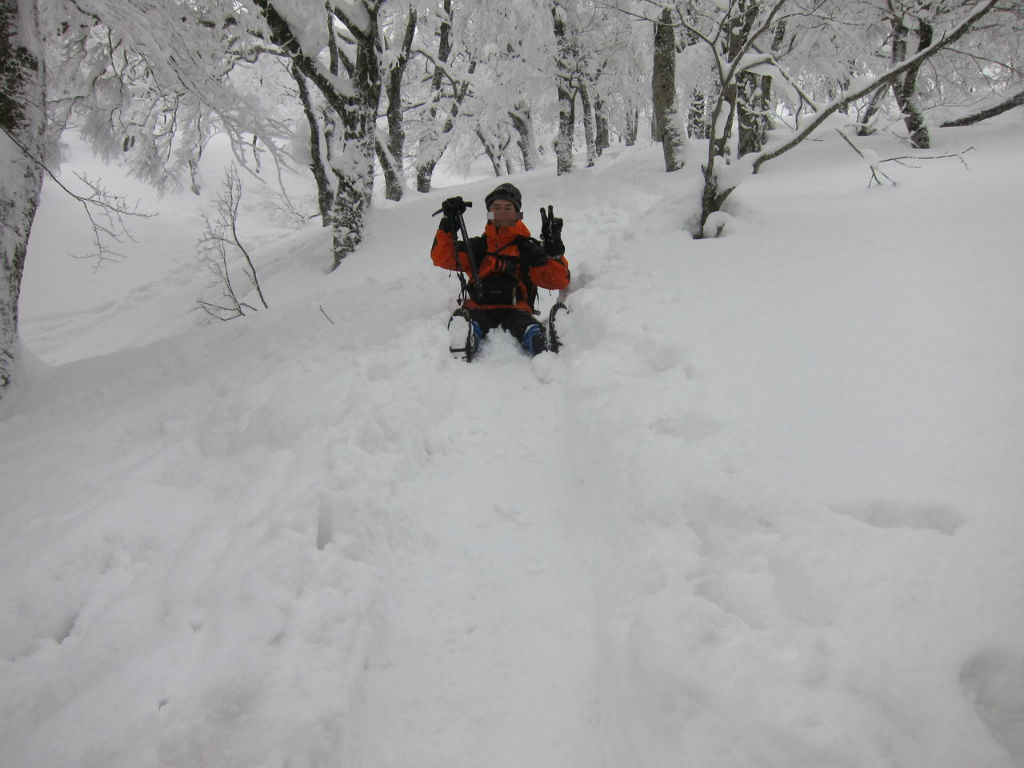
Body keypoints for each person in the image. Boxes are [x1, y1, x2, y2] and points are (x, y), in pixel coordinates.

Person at [431, 183, 570, 357]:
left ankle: (541, 342)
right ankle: (466, 338)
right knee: (475, 321)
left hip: (516, 309)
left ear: (517, 213)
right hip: (478, 308)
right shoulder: (478, 246)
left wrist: (554, 253)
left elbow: (557, 280)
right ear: (489, 213)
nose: (502, 213)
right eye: (496, 208)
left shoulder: (527, 249)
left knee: (523, 325)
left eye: (508, 208)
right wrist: (448, 224)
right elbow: (442, 256)